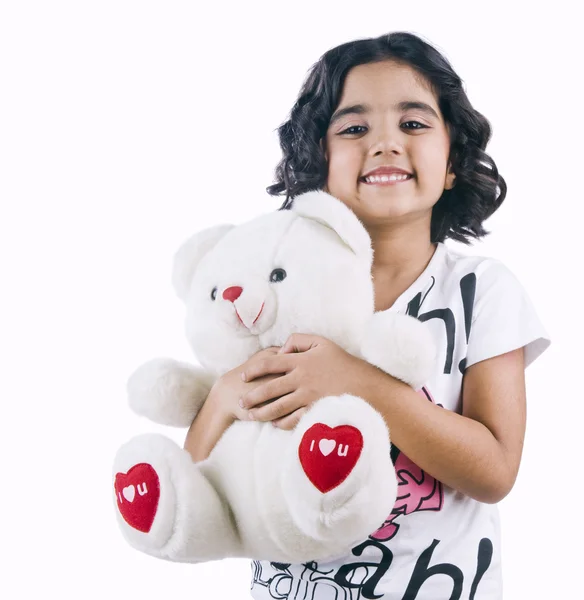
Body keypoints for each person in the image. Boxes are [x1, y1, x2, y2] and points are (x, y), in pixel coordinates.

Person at [184, 31, 550, 599]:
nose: (384, 144)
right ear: (317, 162)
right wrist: (226, 396)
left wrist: (356, 382)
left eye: (413, 124)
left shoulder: (481, 291)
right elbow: (201, 470)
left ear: (452, 162)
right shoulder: (273, 285)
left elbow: (495, 471)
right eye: (354, 128)